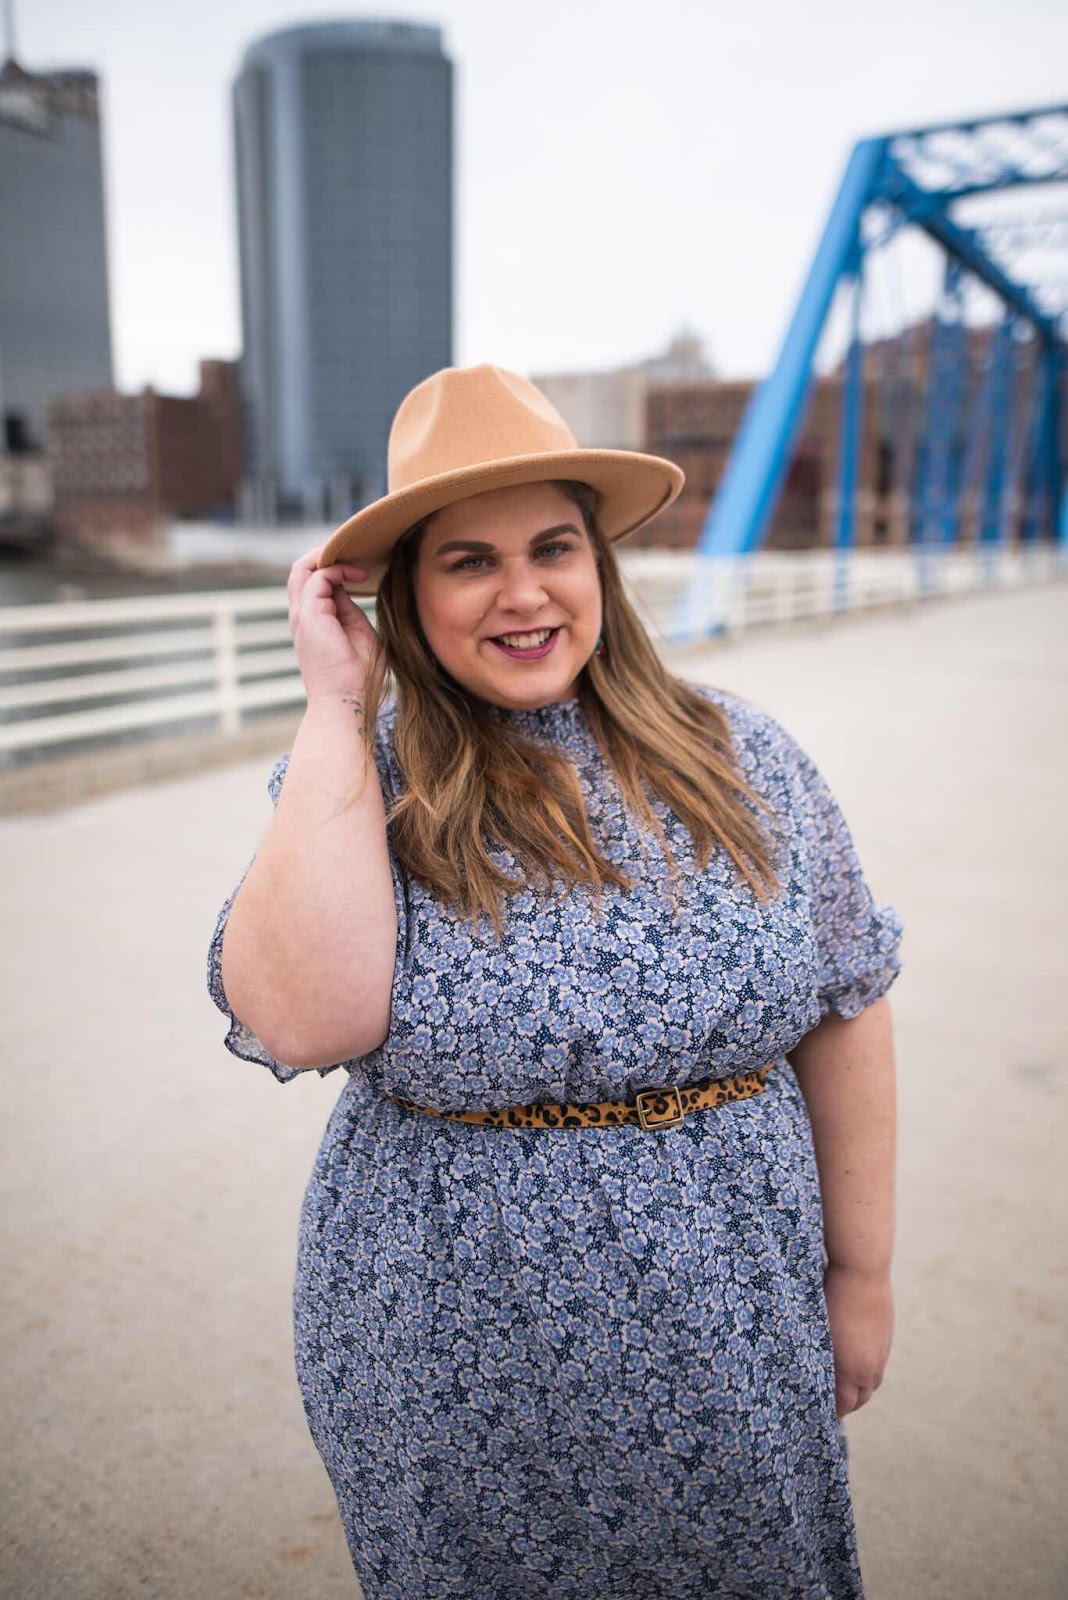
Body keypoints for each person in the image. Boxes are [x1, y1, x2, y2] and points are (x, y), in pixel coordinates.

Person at [207, 364, 902, 1600]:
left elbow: (845, 1003)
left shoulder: (744, 755)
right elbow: (305, 1019)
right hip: (451, 1355)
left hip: (736, 1314)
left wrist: (861, 1275)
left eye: (553, 548)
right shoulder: (363, 778)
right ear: (408, 596)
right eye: (469, 560)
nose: (523, 592)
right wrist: (334, 703)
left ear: (600, 567)